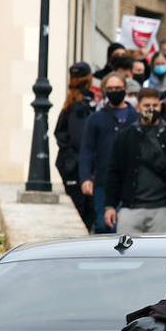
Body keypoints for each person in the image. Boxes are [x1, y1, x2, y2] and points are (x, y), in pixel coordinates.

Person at [103, 88, 166, 235]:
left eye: (155, 105)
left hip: (163, 209)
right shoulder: (125, 137)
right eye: (146, 105)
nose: (151, 109)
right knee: (126, 253)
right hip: (130, 209)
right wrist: (109, 206)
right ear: (138, 107)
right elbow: (113, 172)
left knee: (161, 254)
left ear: (160, 106)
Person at [80, 72, 138, 233]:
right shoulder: (95, 119)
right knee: (103, 226)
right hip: (103, 183)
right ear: (104, 90)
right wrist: (85, 177)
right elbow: (87, 150)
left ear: (125, 89)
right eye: (110, 88)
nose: (114, 91)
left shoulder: (136, 118)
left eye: (118, 88)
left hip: (132, 184)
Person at [54, 61, 96, 228]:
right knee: (85, 211)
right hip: (76, 167)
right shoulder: (79, 106)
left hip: (72, 165)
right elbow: (81, 140)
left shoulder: (72, 104)